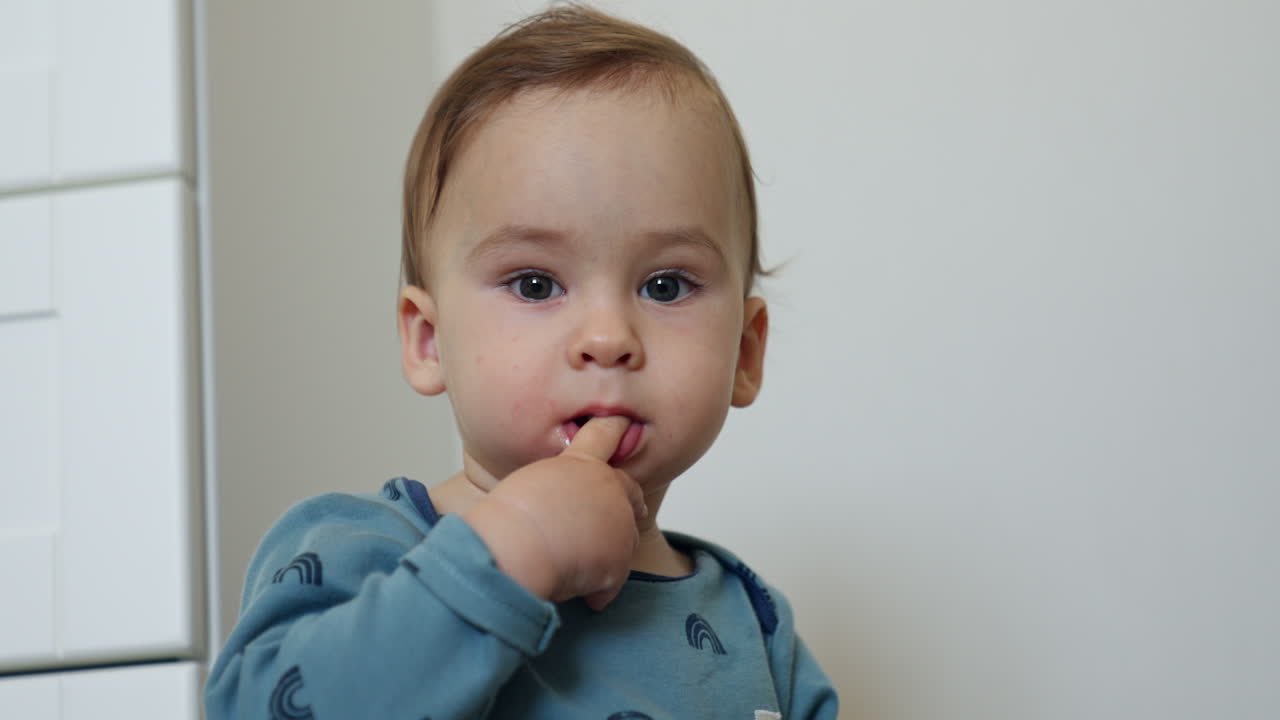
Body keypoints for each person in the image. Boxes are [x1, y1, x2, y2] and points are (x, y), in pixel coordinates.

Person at [205, 5, 838, 718]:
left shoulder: (755, 625)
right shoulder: (359, 551)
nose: (607, 337)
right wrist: (517, 548)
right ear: (427, 340)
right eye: (535, 284)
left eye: (666, 286)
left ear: (746, 354)